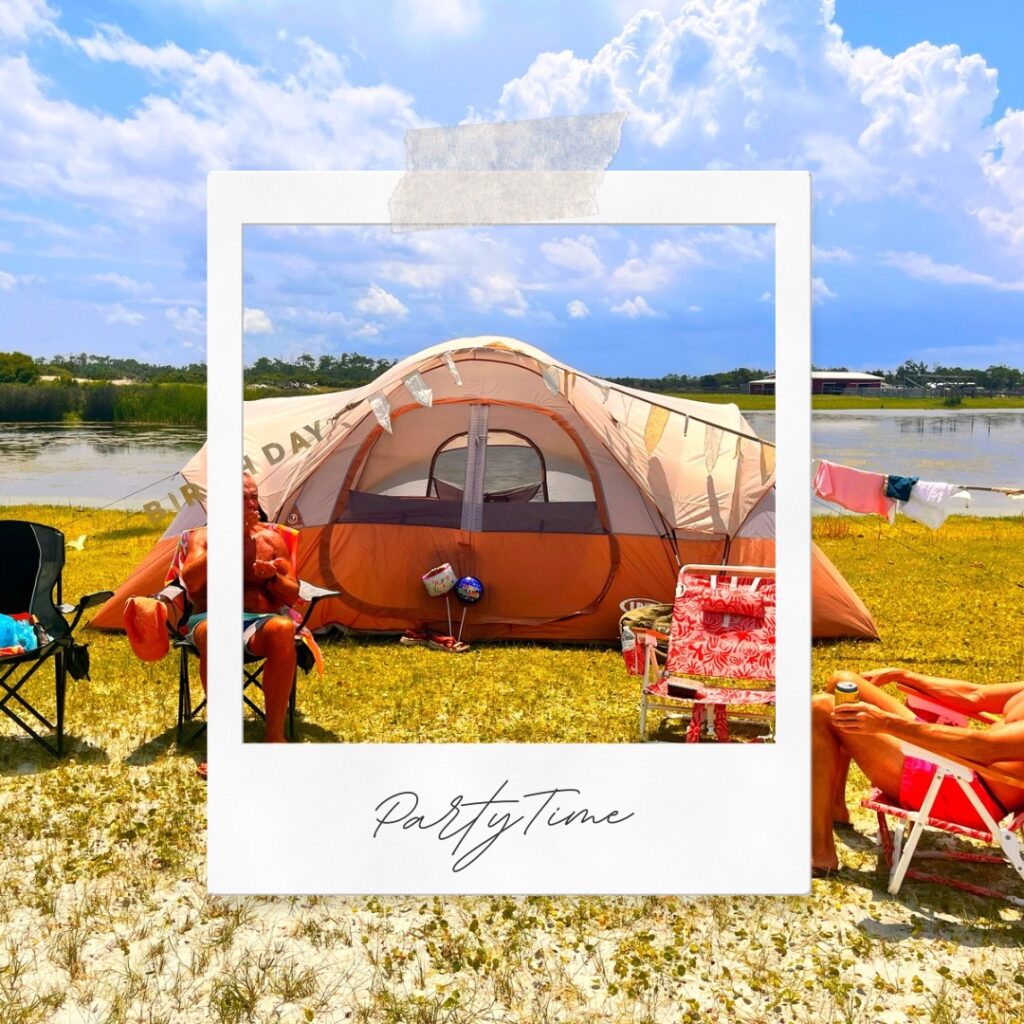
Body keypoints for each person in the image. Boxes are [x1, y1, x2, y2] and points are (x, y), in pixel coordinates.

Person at [125, 473, 300, 748]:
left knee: (284, 628)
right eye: (245, 498)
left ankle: (274, 736)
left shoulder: (272, 540)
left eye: (255, 496)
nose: (254, 504)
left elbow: (292, 595)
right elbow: (190, 581)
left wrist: (272, 578)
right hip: (211, 619)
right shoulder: (203, 538)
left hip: (259, 624)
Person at [812, 668, 1024, 873]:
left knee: (822, 708)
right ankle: (835, 809)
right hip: (956, 763)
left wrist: (886, 723)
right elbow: (976, 695)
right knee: (844, 681)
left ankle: (821, 854)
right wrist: (903, 675)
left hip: (964, 794)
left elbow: (984, 747)